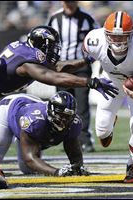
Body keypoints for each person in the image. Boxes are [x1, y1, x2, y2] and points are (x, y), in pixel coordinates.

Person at [0, 25, 118, 189]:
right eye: (51, 47)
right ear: (41, 44)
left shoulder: (27, 54)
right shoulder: (28, 61)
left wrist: (86, 61)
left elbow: (58, 68)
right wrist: (89, 82)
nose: (54, 50)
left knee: (25, 167)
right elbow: (53, 76)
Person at [82, 11, 133, 183]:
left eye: (122, 37)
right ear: (105, 34)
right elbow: (85, 57)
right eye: (113, 36)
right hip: (111, 82)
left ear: (131, 35)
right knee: (102, 134)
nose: (118, 41)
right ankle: (110, 122)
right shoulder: (94, 40)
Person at [0, 91, 90, 190]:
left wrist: (78, 167)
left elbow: (73, 151)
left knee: (28, 170)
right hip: (10, 108)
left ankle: (24, 138)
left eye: (68, 117)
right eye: (61, 115)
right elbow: (30, 159)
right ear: (51, 112)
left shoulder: (74, 123)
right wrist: (57, 172)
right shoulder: (35, 121)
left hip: (31, 113)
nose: (64, 121)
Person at [48, 1, 100, 152]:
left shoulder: (87, 19)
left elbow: (99, 38)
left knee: (82, 105)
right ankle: (66, 141)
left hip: (82, 68)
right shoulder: (54, 18)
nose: (69, 4)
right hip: (61, 69)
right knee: (62, 106)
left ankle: (85, 141)